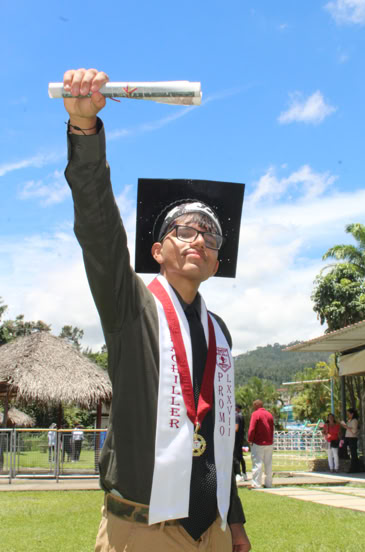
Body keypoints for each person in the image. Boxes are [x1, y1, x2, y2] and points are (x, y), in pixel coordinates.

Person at [62, 68, 251, 552]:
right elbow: (99, 232)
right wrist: (84, 130)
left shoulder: (220, 333)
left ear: (217, 260)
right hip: (145, 529)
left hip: (210, 528)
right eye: (183, 230)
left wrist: (234, 521)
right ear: (156, 250)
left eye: (210, 235)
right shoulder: (131, 309)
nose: (199, 239)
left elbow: (217, 434)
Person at [247, 400, 274, 489]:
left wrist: (250, 439)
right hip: (269, 442)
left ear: (256, 405)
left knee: (257, 463)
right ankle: (268, 483)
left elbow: (252, 428)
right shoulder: (269, 414)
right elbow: (272, 428)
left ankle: (256, 484)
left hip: (258, 442)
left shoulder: (255, 414)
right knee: (268, 463)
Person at [340, 408, 360, 473]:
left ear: (352, 414)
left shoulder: (354, 421)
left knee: (353, 454)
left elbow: (354, 431)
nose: (348, 415)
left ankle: (354, 468)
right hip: (348, 437)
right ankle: (353, 467)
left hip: (352, 438)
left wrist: (347, 427)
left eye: (349, 414)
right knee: (349, 451)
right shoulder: (349, 420)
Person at [234, 404, 246, 482]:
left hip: (236, 439)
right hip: (240, 439)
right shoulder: (241, 416)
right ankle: (244, 473)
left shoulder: (236, 416)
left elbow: (236, 428)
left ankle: (238, 473)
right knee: (240, 456)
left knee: (235, 456)